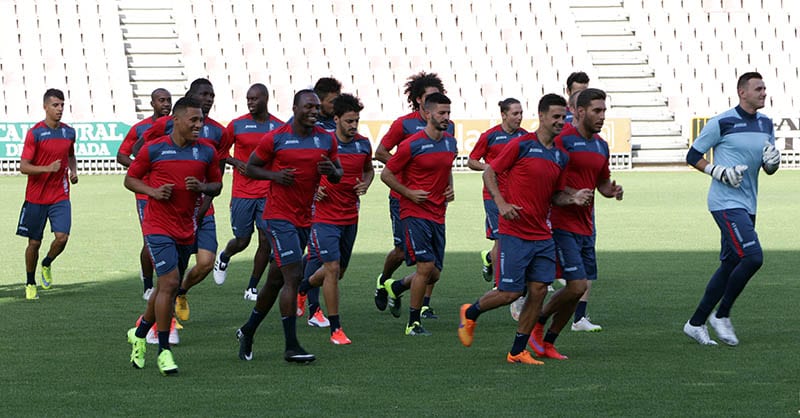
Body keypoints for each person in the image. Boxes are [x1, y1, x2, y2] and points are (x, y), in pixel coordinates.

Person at [457, 94, 592, 364]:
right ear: (541, 116)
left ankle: (517, 351)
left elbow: (556, 195)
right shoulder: (521, 145)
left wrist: (573, 198)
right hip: (514, 231)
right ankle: (470, 313)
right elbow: (489, 172)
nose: (560, 122)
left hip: (542, 234)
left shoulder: (559, 155)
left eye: (562, 117)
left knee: (539, 290)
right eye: (555, 117)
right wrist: (501, 202)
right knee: (510, 293)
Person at [235, 89, 343, 363]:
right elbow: (251, 167)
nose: (314, 111)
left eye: (317, 108)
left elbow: (339, 173)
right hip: (277, 216)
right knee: (293, 275)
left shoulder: (325, 138)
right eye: (308, 106)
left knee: (275, 281)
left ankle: (248, 331)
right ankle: (291, 345)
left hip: (304, 217)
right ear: (294, 107)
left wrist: (332, 171)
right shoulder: (277, 137)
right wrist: (275, 176)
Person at [125, 97, 222, 375]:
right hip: (157, 226)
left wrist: (203, 186)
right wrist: (153, 192)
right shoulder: (155, 149)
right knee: (169, 282)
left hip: (186, 227)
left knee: (166, 287)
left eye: (201, 120)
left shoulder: (206, 152)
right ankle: (164, 350)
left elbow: (216, 185)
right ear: (176, 120)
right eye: (193, 120)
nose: (199, 125)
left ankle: (139, 332)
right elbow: (130, 179)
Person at [682, 72, 779, 346]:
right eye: (758, 88)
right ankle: (721, 315)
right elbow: (692, 156)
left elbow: (767, 166)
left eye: (765, 88)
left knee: (730, 264)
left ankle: (696, 323)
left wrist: (772, 164)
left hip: (748, 202)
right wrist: (718, 171)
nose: (764, 92)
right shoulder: (721, 122)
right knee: (753, 257)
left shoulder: (766, 124)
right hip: (725, 203)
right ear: (742, 92)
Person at [528, 88, 624, 359]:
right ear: (579, 112)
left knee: (576, 290)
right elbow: (549, 178)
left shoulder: (601, 145)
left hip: (586, 227)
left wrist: (612, 191)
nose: (602, 116)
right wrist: (571, 196)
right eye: (597, 110)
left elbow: (602, 183)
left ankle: (548, 342)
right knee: (577, 286)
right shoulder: (563, 141)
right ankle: (537, 322)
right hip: (560, 223)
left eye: (604, 110)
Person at [373, 71, 454, 320]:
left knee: (431, 266)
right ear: (420, 101)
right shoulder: (404, 124)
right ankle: (384, 281)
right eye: (431, 98)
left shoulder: (447, 131)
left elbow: (446, 161)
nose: (441, 111)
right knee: (402, 251)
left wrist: (449, 185)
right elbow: (381, 152)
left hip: (433, 202)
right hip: (404, 199)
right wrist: (407, 170)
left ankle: (422, 303)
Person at [296, 93, 374, 345]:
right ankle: (336, 329)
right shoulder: (323, 143)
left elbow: (369, 170)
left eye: (357, 121)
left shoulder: (363, 144)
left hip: (350, 216)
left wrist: (366, 184)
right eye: (349, 121)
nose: (353, 126)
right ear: (337, 119)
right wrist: (313, 188)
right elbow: (303, 170)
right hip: (323, 216)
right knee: (331, 268)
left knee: (338, 272)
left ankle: (302, 287)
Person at [214, 83, 283, 301]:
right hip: (243, 192)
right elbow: (220, 151)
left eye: (254, 99)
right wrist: (235, 161)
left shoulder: (278, 126)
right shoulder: (237, 125)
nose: (250, 102)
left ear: (265, 99)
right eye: (248, 99)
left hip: (267, 192)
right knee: (242, 240)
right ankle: (224, 256)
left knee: (266, 240)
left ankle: (252, 287)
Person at [170, 79, 232, 322]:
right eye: (204, 94)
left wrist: (202, 207)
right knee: (172, 269)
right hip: (174, 210)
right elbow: (144, 150)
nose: (209, 98)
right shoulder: (171, 126)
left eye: (212, 94)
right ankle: (165, 321)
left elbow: (217, 175)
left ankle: (181, 293)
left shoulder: (219, 132)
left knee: (206, 263)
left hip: (203, 209)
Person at [16, 88, 78, 300]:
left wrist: (73, 171)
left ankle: (47, 263)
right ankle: (30, 282)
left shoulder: (69, 132)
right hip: (36, 197)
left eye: (62, 104)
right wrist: (47, 169)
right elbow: (23, 166)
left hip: (60, 194)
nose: (60, 109)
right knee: (34, 243)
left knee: (62, 238)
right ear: (45, 107)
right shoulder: (35, 133)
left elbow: (71, 154)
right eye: (55, 105)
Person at [293, 77, 342, 320]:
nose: (336, 104)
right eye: (332, 101)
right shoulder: (302, 126)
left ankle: (300, 290)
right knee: (318, 256)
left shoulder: (337, 123)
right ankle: (315, 309)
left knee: (331, 263)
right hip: (311, 200)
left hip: (338, 202)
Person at [117, 88, 172, 300]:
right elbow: (121, 155)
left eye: (168, 100)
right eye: (161, 100)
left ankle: (164, 282)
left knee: (167, 238)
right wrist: (140, 167)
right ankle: (149, 287)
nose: (166, 104)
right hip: (145, 192)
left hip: (169, 192)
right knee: (150, 239)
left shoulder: (176, 128)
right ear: (152, 103)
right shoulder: (140, 129)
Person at [467, 98, 527, 283]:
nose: (519, 117)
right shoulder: (490, 136)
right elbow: (471, 160)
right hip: (493, 195)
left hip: (518, 196)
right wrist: (489, 168)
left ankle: (491, 260)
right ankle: (498, 283)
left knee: (517, 237)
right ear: (504, 115)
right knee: (501, 238)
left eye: (521, 113)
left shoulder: (524, 136)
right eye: (515, 114)